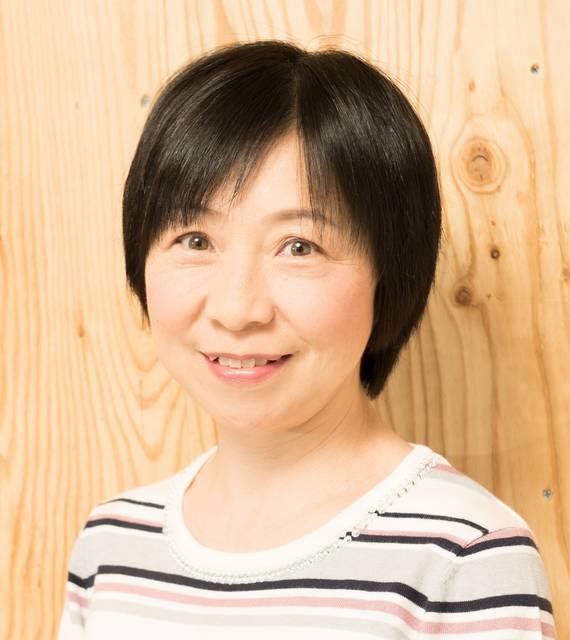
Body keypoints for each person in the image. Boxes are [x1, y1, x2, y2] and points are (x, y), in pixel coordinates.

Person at [56, 40, 557, 639]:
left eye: (299, 247)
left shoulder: (464, 555)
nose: (237, 309)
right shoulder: (112, 545)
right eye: (195, 240)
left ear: (390, 273)